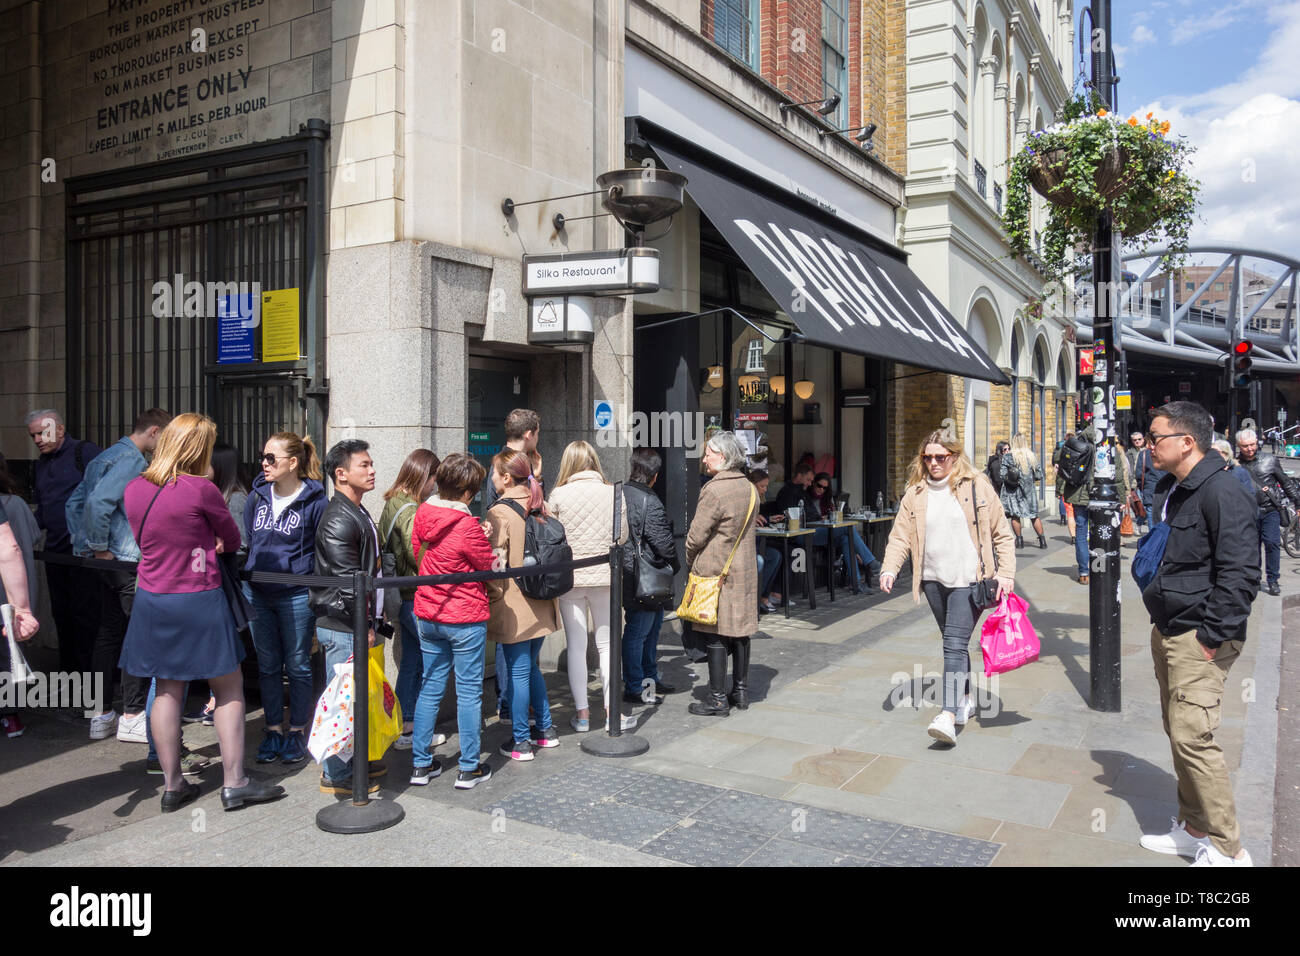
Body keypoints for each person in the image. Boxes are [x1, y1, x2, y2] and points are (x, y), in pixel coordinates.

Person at [120, 413, 285, 813]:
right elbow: (230, 540)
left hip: (153, 599)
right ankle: (234, 783)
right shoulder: (201, 489)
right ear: (198, 450)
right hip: (199, 597)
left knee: (167, 688)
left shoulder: (134, 488)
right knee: (227, 688)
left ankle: (173, 786)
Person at [1137, 402, 1259, 866]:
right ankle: (1193, 828)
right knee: (1178, 729)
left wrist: (1212, 636)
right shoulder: (1178, 488)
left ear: (1187, 442)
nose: (1149, 445)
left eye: (1156, 437)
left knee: (1193, 737)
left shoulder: (1223, 489)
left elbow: (1241, 571)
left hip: (1198, 636)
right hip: (1169, 628)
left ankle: (1230, 852)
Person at [879, 430, 1015, 747]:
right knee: (954, 641)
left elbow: (1002, 533)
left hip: (969, 580)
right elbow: (900, 536)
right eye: (928, 457)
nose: (934, 463)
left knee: (953, 644)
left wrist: (1006, 572)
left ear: (954, 457)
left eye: (940, 457)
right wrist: (890, 567)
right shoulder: (916, 493)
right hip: (932, 580)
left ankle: (948, 715)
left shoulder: (976, 486)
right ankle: (965, 697)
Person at [66, 408, 171, 741]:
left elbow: (75, 504)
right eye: (164, 438)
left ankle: (100, 713)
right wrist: (99, 547)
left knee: (109, 633)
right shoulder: (131, 461)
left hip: (108, 561)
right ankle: (132, 713)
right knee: (137, 636)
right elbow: (97, 502)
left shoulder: (105, 457)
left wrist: (86, 546)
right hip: (123, 560)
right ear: (154, 431)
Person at [409, 454, 496, 789]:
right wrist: (483, 536)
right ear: (465, 493)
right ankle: (469, 767)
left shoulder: (423, 513)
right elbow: (486, 565)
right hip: (464, 615)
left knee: (430, 687)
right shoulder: (465, 525)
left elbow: (420, 550)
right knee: (469, 691)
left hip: (428, 613)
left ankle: (420, 765)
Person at [243, 432, 328, 766]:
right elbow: (250, 538)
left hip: (295, 593)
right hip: (257, 590)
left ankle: (297, 729)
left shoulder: (316, 501)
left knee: (297, 663)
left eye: (271, 458)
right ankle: (273, 727)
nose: (264, 464)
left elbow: (321, 548)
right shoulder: (256, 497)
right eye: (262, 457)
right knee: (267, 665)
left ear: (293, 463)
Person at [309, 439, 385, 795]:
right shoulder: (339, 516)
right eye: (363, 465)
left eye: (371, 464)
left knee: (351, 701)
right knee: (341, 703)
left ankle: (348, 768)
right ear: (340, 474)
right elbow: (347, 581)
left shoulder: (356, 509)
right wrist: (362, 625)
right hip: (342, 626)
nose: (371, 471)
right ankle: (337, 776)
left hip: (351, 624)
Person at [547, 440, 631, 731]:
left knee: (576, 646)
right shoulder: (612, 493)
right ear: (594, 461)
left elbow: (551, 538)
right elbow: (621, 537)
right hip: (605, 576)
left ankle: (582, 715)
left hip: (571, 578)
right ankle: (612, 713)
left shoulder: (558, 494)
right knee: (607, 646)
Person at [486, 450, 561, 759]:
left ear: (506, 477)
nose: (490, 478)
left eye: (493, 472)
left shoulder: (498, 513)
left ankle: (520, 742)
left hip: (514, 606)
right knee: (530, 669)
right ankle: (545, 730)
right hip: (542, 602)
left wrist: (492, 598)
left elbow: (494, 565)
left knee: (519, 673)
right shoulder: (542, 507)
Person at [685, 431, 760, 717]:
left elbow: (695, 537)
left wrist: (692, 562)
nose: (704, 459)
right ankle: (740, 691)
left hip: (716, 571)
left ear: (724, 457)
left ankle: (717, 698)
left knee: (714, 633)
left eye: (708, 453)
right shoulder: (750, 488)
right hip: (744, 570)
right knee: (740, 632)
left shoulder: (715, 490)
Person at [26, 409, 101, 683]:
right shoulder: (42, 463)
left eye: (41, 432)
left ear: (59, 429)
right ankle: (69, 672)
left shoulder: (85, 453)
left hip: (85, 552)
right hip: (55, 552)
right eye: (33, 435)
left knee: (87, 615)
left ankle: (90, 674)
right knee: (62, 613)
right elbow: (44, 510)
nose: (37, 439)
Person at [480, 409, 542, 721]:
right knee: (515, 655)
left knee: (523, 661)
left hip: (522, 575)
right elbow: (496, 532)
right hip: (516, 578)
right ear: (529, 433)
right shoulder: (505, 469)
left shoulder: (516, 466)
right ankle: (510, 708)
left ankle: (519, 708)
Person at [378, 448, 441, 750]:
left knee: (413, 660)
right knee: (435, 661)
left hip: (399, 596)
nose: (435, 488)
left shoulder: (393, 503)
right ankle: (416, 729)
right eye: (433, 480)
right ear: (423, 476)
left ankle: (406, 724)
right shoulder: (410, 511)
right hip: (411, 596)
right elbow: (418, 555)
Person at [621, 448, 680, 702]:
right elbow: (664, 544)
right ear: (655, 475)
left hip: (627, 572)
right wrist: (675, 566)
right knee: (639, 632)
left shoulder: (620, 493)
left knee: (648, 629)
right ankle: (636, 686)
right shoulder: (650, 500)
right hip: (645, 577)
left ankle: (648, 681)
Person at [1054, 423, 1130, 585]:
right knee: (1100, 532)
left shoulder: (1076, 443)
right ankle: (1099, 568)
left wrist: (1059, 489)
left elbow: (1062, 466)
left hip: (1078, 495)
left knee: (1081, 533)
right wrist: (1122, 499)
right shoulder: (1108, 447)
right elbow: (1117, 475)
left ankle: (1083, 572)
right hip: (1101, 496)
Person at [0, 470, 41, 738]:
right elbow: (13, 548)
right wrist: (23, 607)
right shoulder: (14, 503)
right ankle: (10, 716)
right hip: (7, 592)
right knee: (6, 654)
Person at [1236, 427, 1300, 597]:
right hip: (1247, 512)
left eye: (1252, 444)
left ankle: (1273, 579)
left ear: (1257, 443)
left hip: (1269, 509)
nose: (1250, 449)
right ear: (1238, 446)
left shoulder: (1269, 460)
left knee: (1271, 543)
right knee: (1251, 547)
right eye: (1245, 446)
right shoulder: (1235, 464)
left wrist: (1297, 503)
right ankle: (1254, 578)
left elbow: (1285, 483)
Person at [998, 433, 1047, 549]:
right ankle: (1042, 541)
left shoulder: (1008, 457)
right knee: (1034, 516)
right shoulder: (1031, 456)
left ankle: (1019, 541)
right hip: (1029, 492)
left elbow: (1002, 474)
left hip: (1013, 491)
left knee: (1015, 516)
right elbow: (1039, 475)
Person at [750, 469, 783, 613]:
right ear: (752, 484)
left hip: (756, 542)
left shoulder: (757, 500)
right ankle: (756, 598)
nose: (765, 490)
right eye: (762, 486)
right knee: (763, 559)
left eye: (766, 486)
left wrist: (768, 519)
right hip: (747, 545)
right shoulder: (747, 499)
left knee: (776, 555)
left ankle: (762, 596)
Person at [1133, 432, 1165, 536]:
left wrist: (1142, 487)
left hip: (1150, 490)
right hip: (1165, 490)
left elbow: (1138, 474)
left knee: (1152, 517)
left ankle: (1154, 541)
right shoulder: (1167, 453)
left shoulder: (1144, 454)